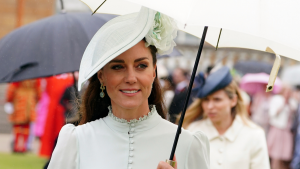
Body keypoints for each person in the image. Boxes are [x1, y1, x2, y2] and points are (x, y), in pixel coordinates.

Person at [47, 7, 210, 169]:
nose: (131, 78)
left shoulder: (188, 144)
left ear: (153, 72)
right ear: (101, 76)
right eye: (118, 67)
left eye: (141, 65)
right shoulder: (76, 140)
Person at [182, 67, 270, 169]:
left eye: (217, 99)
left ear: (233, 100)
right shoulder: (192, 131)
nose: (210, 106)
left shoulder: (254, 134)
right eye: (206, 100)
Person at [5, 79, 41, 153]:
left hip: (19, 99)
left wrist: (9, 100)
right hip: (31, 100)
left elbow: (12, 89)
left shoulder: (19, 75)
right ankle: (24, 146)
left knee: (17, 124)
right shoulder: (36, 76)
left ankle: (17, 146)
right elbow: (39, 91)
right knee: (26, 125)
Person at [267, 85, 297, 169]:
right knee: (275, 154)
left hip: (287, 130)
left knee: (284, 155)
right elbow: (272, 114)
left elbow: (294, 112)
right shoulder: (276, 99)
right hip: (278, 128)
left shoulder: (292, 102)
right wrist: (283, 105)